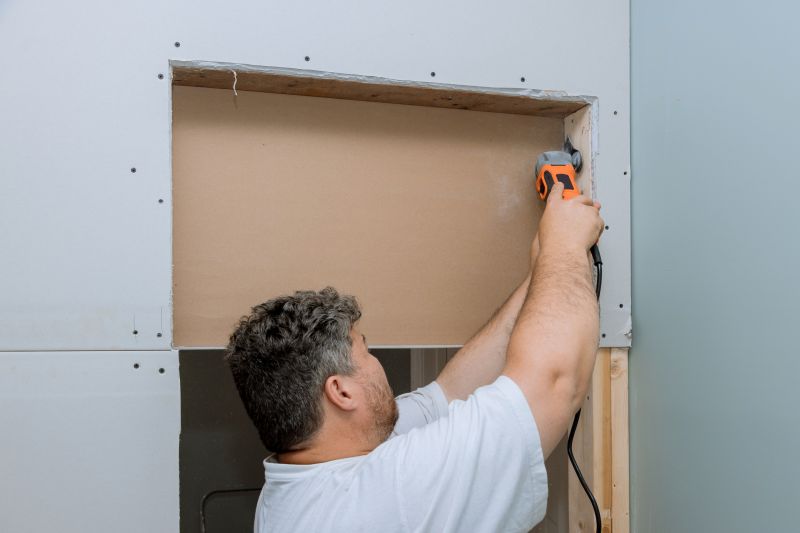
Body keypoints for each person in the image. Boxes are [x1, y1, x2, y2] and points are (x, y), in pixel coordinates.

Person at [225, 182, 603, 532]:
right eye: (366, 352)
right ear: (340, 391)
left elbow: (448, 394)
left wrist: (544, 268)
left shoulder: (302, 482)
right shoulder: (390, 494)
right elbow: (554, 379)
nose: (376, 363)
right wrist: (567, 246)